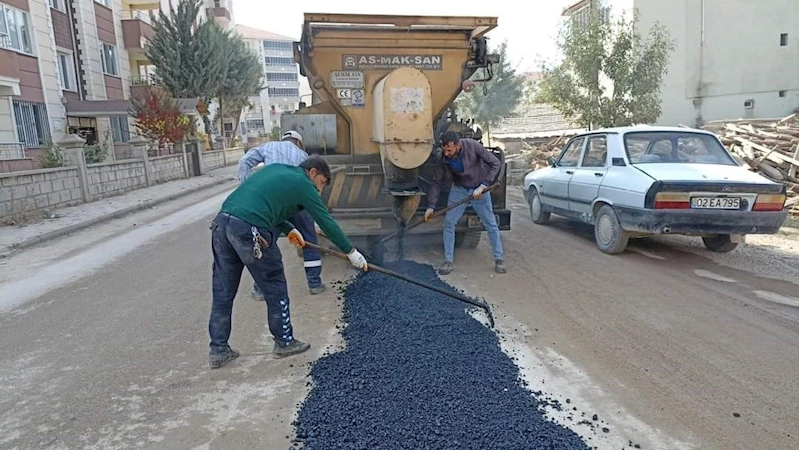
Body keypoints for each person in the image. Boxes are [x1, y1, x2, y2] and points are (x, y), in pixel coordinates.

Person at [208, 155, 368, 369]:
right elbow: (325, 220)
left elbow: (265, 204)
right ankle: (284, 342)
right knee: (275, 287)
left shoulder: (278, 170)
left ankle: (218, 350)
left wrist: (289, 228)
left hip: (222, 224)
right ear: (312, 172)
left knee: (223, 291)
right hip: (250, 230)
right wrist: (351, 251)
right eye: (321, 183)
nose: (319, 190)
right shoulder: (304, 184)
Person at [238, 131, 327, 296]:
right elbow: (309, 187)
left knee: (264, 243)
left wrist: (249, 185)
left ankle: (260, 289)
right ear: (298, 143)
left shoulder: (268, 147)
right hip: (298, 204)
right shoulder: (303, 155)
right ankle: (315, 284)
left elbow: (244, 161)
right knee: (308, 240)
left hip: (273, 204)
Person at [424, 131, 506, 275]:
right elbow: (436, 182)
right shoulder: (443, 157)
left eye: (449, 150)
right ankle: (448, 261)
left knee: (490, 224)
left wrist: (484, 185)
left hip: (479, 190)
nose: (447, 153)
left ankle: (499, 259)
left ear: (458, 145)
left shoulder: (473, 146)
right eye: (444, 150)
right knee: (449, 223)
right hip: (459, 189)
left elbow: (496, 163)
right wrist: (431, 206)